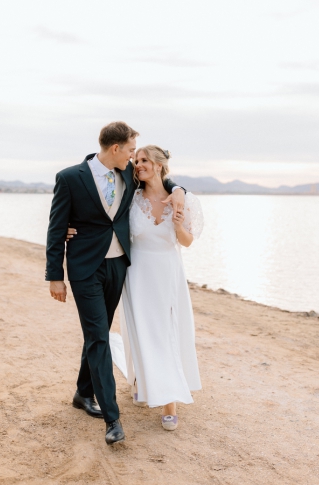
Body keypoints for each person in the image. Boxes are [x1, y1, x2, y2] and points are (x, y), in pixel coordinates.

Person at [45, 122, 185, 445]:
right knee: (98, 338)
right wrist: (55, 276)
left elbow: (162, 180)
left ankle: (83, 393)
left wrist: (178, 191)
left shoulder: (127, 176)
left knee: (98, 334)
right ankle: (113, 419)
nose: (135, 158)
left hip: (117, 269)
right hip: (84, 270)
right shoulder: (69, 178)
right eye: (132, 150)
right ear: (115, 149)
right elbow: (55, 229)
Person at [119, 145, 204, 432]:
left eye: (143, 160)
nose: (138, 164)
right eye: (135, 160)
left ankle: (170, 401)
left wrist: (179, 225)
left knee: (167, 332)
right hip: (137, 273)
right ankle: (142, 382)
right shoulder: (130, 196)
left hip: (168, 272)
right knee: (141, 331)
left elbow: (188, 241)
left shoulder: (182, 199)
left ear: (158, 165)